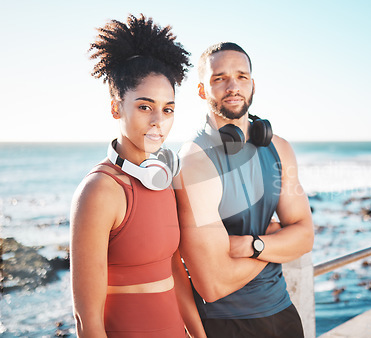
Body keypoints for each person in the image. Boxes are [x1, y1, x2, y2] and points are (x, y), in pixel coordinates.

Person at [70, 14, 205, 337]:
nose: (159, 120)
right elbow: (86, 319)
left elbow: (176, 275)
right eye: (145, 107)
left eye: (168, 109)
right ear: (116, 108)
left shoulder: (162, 179)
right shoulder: (99, 191)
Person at [174, 42, 314, 338]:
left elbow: (304, 237)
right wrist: (276, 238)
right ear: (202, 90)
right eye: (219, 78)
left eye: (241, 76)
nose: (233, 86)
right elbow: (213, 284)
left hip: (284, 314)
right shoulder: (195, 161)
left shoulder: (279, 149)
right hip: (228, 325)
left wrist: (254, 245)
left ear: (252, 84)